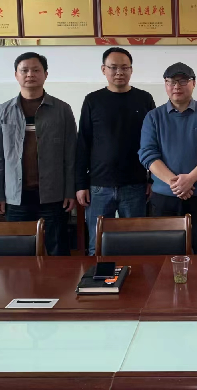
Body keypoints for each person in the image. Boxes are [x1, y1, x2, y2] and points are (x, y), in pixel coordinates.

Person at [0, 52, 77, 256]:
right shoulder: (4, 110)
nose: (30, 74)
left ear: (45, 74)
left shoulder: (62, 110)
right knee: (19, 253)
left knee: (57, 250)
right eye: (25, 70)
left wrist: (69, 191)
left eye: (36, 70)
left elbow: (71, 155)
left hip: (53, 195)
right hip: (16, 196)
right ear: (16, 75)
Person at [76, 47, 156, 255]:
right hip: (99, 186)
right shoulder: (92, 100)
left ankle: (134, 276)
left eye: (124, 67)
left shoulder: (144, 99)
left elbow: (154, 143)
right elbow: (83, 143)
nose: (119, 72)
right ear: (104, 69)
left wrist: (152, 180)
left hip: (135, 184)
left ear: (131, 70)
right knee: (97, 245)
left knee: (136, 245)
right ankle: (99, 277)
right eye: (113, 67)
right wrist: (80, 184)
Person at [138, 63, 197, 254]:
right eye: (171, 81)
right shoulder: (153, 117)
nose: (177, 86)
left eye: (183, 81)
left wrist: (190, 179)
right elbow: (147, 154)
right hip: (165, 197)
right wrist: (175, 183)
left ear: (194, 83)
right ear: (165, 85)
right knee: (165, 254)